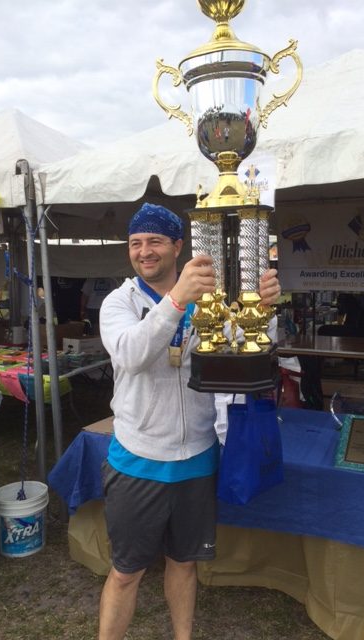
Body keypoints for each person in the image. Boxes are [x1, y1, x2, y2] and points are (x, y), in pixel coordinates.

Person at [98, 202, 281, 640]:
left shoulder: (210, 300)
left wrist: (265, 311)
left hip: (198, 456)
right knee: (125, 572)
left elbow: (247, 348)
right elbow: (131, 355)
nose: (145, 251)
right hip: (138, 459)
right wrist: (176, 301)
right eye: (136, 243)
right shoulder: (119, 302)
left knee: (184, 564)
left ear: (178, 246)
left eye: (155, 241)